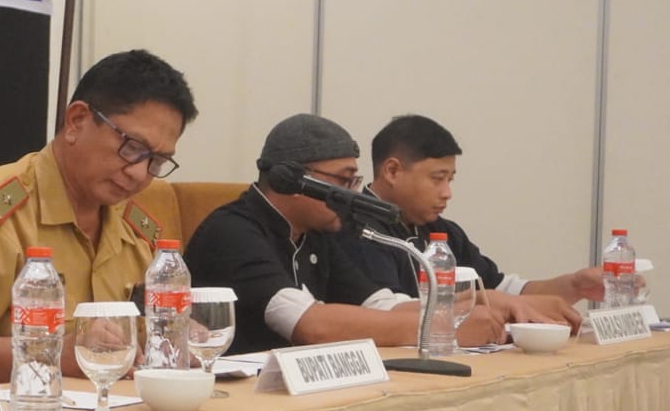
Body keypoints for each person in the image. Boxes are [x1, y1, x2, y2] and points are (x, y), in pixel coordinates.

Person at [0, 49, 198, 388]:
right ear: (76, 121)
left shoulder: (137, 231)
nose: (139, 173)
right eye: (132, 148)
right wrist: (55, 352)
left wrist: (178, 338)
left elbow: (144, 338)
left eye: (157, 162)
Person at [185, 113, 508, 354]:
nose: (352, 194)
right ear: (290, 180)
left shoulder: (317, 234)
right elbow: (311, 325)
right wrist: (440, 327)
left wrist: (467, 303)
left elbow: (380, 305)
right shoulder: (233, 232)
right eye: (344, 181)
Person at [333, 115, 594, 328]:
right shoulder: (357, 229)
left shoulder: (441, 230)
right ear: (392, 171)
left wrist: (576, 285)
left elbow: (504, 291)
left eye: (450, 180)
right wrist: (479, 301)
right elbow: (386, 312)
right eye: (437, 179)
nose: (447, 193)